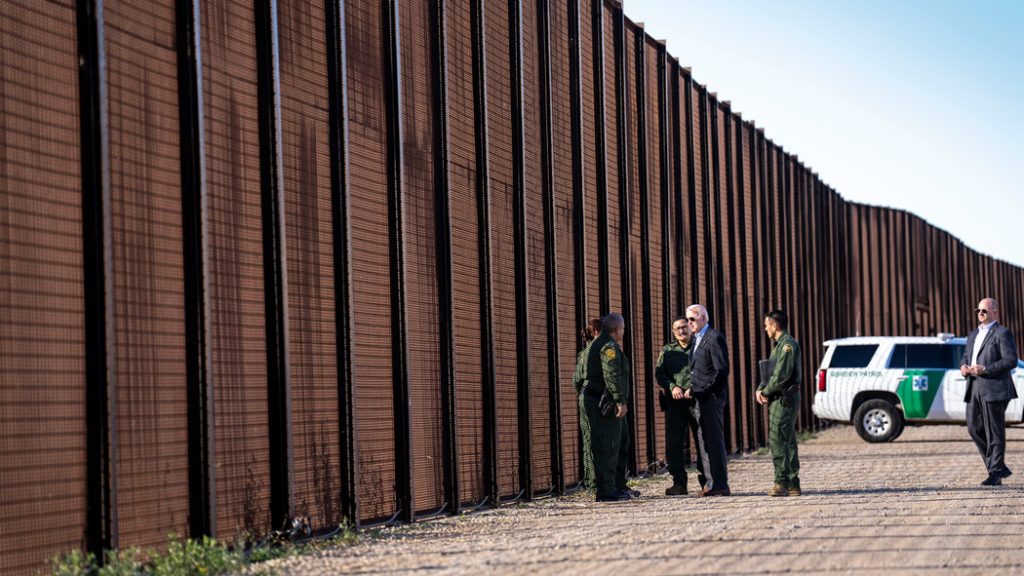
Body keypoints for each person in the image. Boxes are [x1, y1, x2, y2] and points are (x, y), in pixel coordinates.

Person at [960, 297, 1018, 486]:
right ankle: (997, 467)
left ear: (994, 312)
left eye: (984, 310)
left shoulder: (1002, 333)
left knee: (995, 432)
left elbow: (1010, 361)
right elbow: (966, 357)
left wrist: (986, 368)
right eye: (978, 310)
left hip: (994, 387)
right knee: (974, 428)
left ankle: (995, 473)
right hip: (974, 386)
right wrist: (963, 367)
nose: (980, 314)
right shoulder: (973, 335)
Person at [581, 312, 632, 502]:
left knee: (614, 442)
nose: (624, 332)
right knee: (607, 445)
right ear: (617, 329)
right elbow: (611, 374)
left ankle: (612, 487)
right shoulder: (608, 347)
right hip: (600, 401)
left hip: (599, 399)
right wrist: (620, 400)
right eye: (623, 328)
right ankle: (606, 491)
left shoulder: (603, 343)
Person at [683, 304, 731, 497]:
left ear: (704, 318)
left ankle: (720, 483)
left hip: (710, 398)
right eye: (687, 319)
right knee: (704, 442)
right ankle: (711, 483)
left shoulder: (713, 338)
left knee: (714, 441)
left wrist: (705, 391)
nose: (689, 323)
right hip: (699, 398)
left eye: (692, 319)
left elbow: (721, 371)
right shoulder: (696, 339)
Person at [655, 317, 705, 495]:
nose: (681, 331)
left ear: (690, 328)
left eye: (684, 328)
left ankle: (706, 482)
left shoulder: (700, 347)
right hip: (674, 404)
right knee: (674, 444)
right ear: (673, 332)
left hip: (696, 401)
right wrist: (672, 386)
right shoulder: (668, 350)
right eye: (677, 329)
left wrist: (694, 388)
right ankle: (679, 484)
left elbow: (708, 370)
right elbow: (660, 374)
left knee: (702, 442)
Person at [756, 310, 802, 497]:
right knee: (787, 438)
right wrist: (761, 387)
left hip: (785, 398)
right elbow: (770, 372)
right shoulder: (778, 346)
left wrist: (765, 391)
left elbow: (781, 375)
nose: (765, 328)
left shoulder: (787, 347)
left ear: (774, 325)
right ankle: (792, 484)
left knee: (778, 438)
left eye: (767, 324)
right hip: (779, 397)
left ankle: (781, 483)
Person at [574, 318, 604, 491]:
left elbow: (576, 381)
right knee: (597, 442)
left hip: (588, 398)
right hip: (597, 400)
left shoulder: (584, 352)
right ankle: (597, 484)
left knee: (590, 441)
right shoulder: (600, 351)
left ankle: (592, 483)